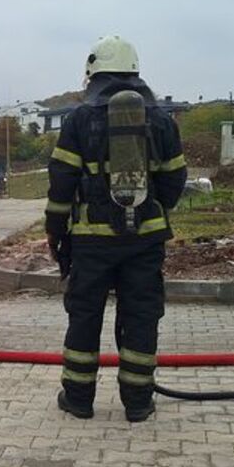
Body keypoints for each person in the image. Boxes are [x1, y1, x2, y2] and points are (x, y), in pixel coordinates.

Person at [46, 36, 187, 422]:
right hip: (145, 241)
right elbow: (175, 179)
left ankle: (78, 398)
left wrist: (55, 230)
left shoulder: (79, 119)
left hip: (91, 241)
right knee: (141, 315)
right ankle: (138, 403)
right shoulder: (160, 119)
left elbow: (61, 181)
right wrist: (151, 211)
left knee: (85, 314)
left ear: (94, 72)